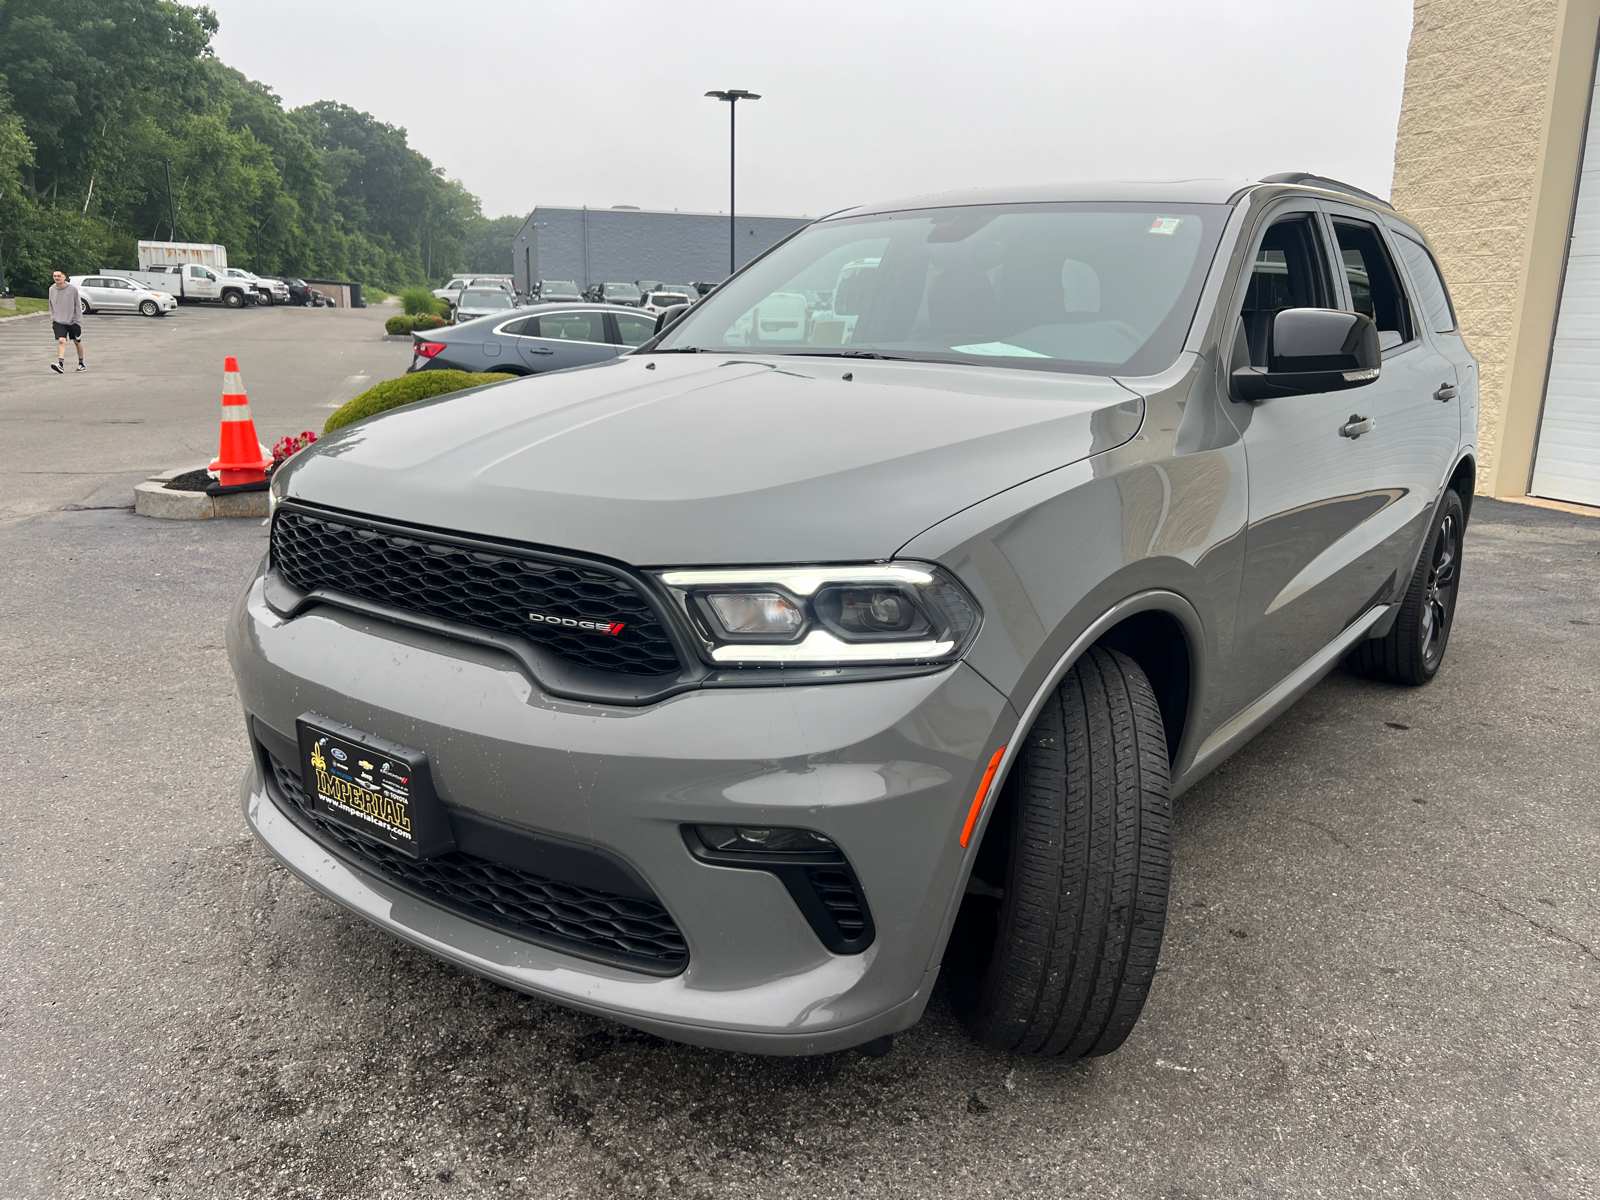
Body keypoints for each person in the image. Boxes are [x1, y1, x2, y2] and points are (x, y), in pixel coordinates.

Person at [48, 270, 85, 373]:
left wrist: (78, 321)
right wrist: (53, 317)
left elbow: (77, 305)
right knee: (61, 340)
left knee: (77, 342)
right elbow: (51, 304)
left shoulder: (72, 289)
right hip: (58, 320)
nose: (57, 278)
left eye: (59, 276)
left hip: (72, 321)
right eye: (55, 276)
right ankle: (60, 364)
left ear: (64, 277)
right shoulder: (52, 289)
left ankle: (81, 363)